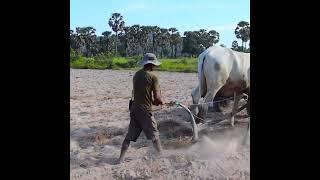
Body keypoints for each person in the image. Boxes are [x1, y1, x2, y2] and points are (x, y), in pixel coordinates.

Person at [118, 53, 164, 163]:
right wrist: (161, 102)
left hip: (134, 109)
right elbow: (156, 98)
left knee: (129, 137)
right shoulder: (153, 77)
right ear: (151, 64)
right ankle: (161, 156)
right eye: (154, 65)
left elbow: (142, 93)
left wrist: (154, 101)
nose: (155, 67)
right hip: (145, 111)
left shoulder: (136, 74)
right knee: (155, 135)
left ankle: (120, 159)